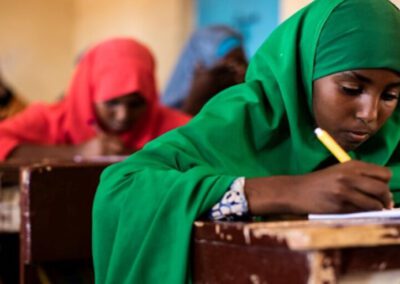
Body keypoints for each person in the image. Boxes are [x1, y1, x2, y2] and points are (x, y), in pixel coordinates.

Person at [92, 0, 400, 283]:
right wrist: (285, 191)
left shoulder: (393, 138)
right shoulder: (242, 119)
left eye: (390, 95)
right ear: (302, 72)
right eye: (350, 88)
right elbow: (122, 188)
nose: (370, 114)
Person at [0, 38, 190, 161]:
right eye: (111, 103)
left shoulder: (174, 126)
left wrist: (140, 156)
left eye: (136, 104)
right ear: (88, 93)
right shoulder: (49, 119)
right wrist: (76, 153)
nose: (123, 115)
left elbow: (210, 150)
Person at [162, 25, 248, 115]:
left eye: (242, 62)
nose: (241, 70)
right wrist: (195, 103)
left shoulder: (244, 99)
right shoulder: (170, 111)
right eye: (231, 66)